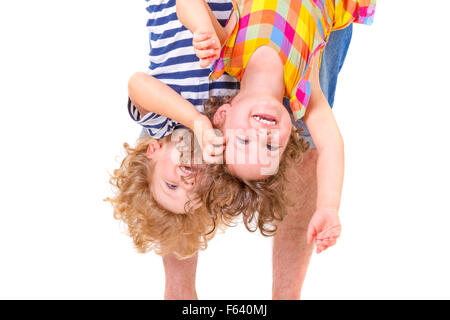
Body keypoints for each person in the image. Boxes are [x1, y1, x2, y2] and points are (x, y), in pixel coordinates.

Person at [177, 0, 376, 254]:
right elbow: (330, 145)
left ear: (223, 114)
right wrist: (327, 207)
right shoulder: (303, 88)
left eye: (244, 141)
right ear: (290, 135)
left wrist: (201, 28)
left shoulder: (228, 53)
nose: (262, 135)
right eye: (270, 146)